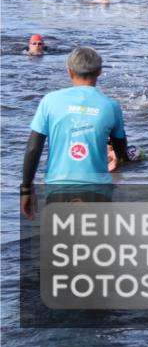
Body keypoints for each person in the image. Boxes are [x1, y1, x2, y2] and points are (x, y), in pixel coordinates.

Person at [21, 47, 129, 219]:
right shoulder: (111, 106)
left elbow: (33, 148)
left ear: (69, 71)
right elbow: (121, 150)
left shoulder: (49, 101)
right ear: (99, 71)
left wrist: (26, 188)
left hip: (58, 188)